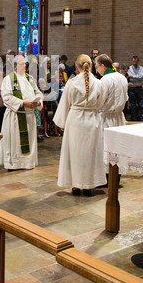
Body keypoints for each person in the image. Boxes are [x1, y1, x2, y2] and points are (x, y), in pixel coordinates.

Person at [53, 54, 107, 196]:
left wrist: (61, 122)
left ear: (77, 66)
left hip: (75, 120)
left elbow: (65, 103)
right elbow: (101, 103)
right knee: (90, 154)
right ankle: (88, 185)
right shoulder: (98, 83)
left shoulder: (71, 83)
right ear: (91, 65)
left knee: (74, 154)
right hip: (92, 121)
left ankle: (76, 186)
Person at [0, 55, 42, 171]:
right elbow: (6, 97)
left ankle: (27, 163)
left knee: (29, 141)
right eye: (22, 64)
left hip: (29, 116)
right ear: (15, 66)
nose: (25, 66)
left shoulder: (30, 78)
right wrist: (23, 103)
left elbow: (38, 94)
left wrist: (38, 102)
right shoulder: (9, 79)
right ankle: (14, 165)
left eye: (25, 64)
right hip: (16, 116)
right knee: (15, 142)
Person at [96, 54, 128, 128]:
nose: (97, 70)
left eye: (97, 67)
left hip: (106, 119)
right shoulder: (122, 77)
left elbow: (100, 101)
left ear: (103, 66)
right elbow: (126, 98)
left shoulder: (105, 79)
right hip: (120, 117)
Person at [127, 55, 143, 121]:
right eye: (134, 61)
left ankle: (142, 119)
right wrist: (135, 77)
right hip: (132, 89)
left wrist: (133, 76)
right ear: (132, 61)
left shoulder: (141, 68)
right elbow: (130, 78)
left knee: (141, 105)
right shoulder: (129, 68)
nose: (135, 63)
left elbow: (141, 77)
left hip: (139, 88)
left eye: (136, 61)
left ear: (138, 61)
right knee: (133, 106)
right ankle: (133, 119)